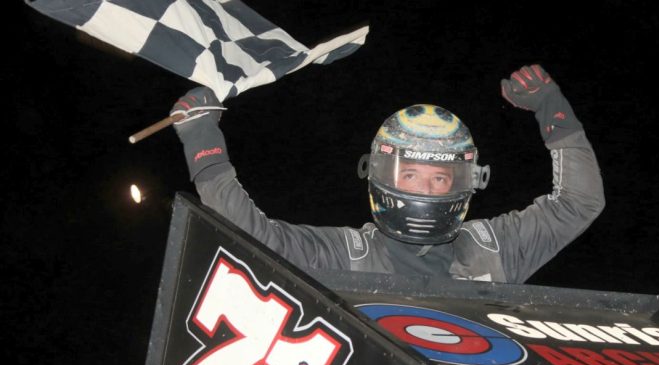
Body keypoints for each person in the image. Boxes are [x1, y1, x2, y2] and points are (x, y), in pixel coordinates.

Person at [171, 64, 605, 283]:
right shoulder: (344, 255)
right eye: (411, 175)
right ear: (379, 174)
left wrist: (554, 110)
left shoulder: (495, 248)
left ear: (467, 183)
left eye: (440, 178)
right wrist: (204, 150)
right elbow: (253, 238)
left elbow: (579, 204)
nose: (426, 188)